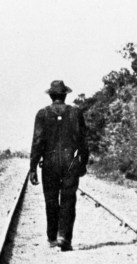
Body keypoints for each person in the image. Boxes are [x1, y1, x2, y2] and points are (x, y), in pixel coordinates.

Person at [30, 80, 89, 252]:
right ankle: (64, 237)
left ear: (50, 95)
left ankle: (52, 237)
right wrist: (83, 163)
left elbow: (37, 142)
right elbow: (83, 142)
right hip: (70, 161)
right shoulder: (76, 113)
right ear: (64, 95)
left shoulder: (42, 114)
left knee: (51, 200)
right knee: (69, 200)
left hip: (49, 162)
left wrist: (33, 167)